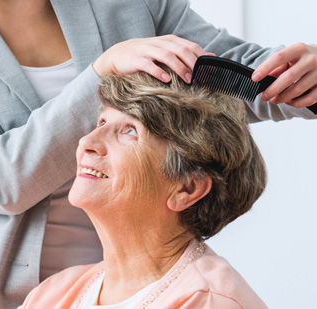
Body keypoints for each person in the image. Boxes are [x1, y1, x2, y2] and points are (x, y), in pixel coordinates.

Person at [0, 0, 317, 307]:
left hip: (136, 276)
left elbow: (232, 77)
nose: (88, 143)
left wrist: (315, 76)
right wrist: (101, 73)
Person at [21, 68, 267, 308]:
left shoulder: (210, 301)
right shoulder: (52, 295)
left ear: (187, 188)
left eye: (130, 131)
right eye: (102, 121)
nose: (87, 142)